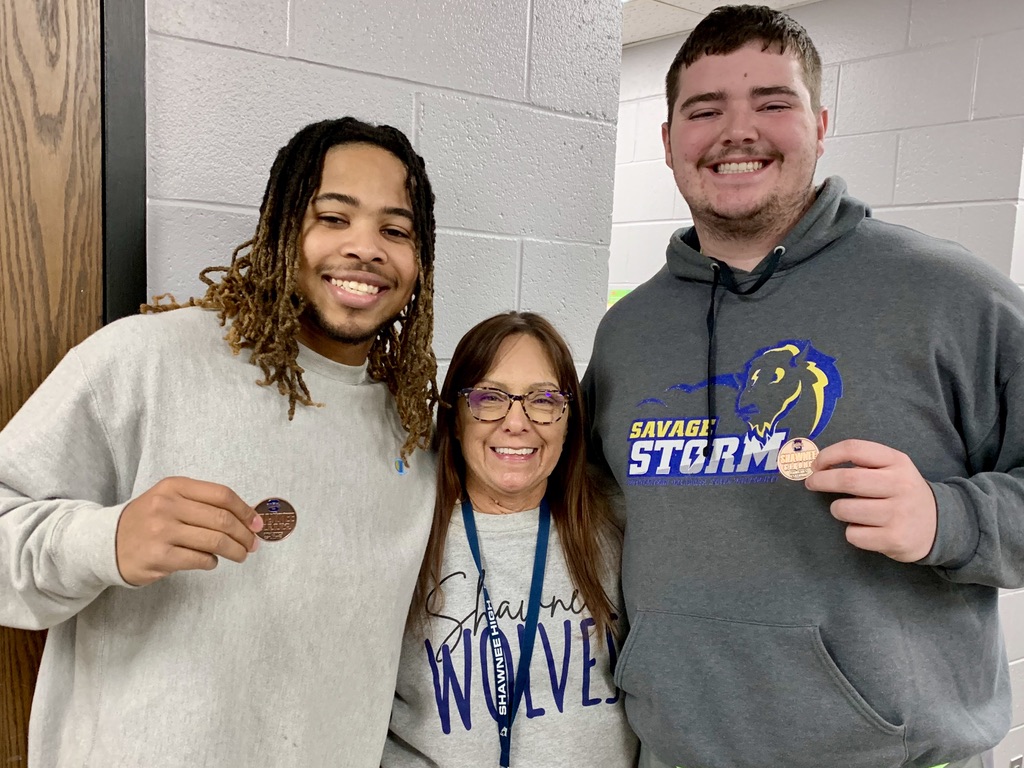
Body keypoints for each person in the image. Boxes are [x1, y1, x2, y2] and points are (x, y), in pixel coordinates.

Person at [583, 5, 1024, 768]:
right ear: (667, 141)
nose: (737, 131)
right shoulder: (630, 332)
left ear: (820, 125)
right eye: (705, 109)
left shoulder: (954, 298)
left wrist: (949, 519)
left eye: (773, 104)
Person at [0, 117, 439, 767]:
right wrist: (107, 540)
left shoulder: (413, 437)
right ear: (281, 229)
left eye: (395, 230)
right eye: (334, 217)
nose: (365, 248)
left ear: (419, 261)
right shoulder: (148, 360)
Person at [384, 311, 638, 767]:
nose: (516, 422)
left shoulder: (617, 519)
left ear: (568, 420)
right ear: (457, 417)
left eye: (542, 399)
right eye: (489, 397)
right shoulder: (405, 526)